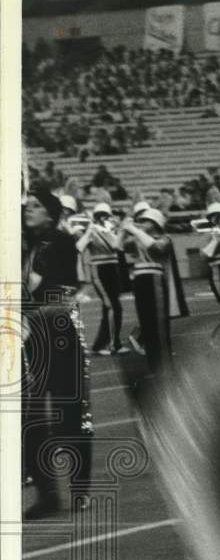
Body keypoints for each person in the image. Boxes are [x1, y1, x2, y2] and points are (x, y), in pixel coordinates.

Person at [21, 185, 93, 518]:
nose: (27, 209)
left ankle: (80, 490)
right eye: (26, 205)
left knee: (71, 411)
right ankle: (47, 495)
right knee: (31, 417)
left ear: (50, 213)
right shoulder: (26, 244)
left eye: (35, 206)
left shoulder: (59, 242)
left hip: (59, 331)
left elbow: (33, 286)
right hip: (33, 334)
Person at [119, 207, 188, 373]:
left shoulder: (165, 238)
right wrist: (123, 229)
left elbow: (156, 247)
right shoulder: (137, 238)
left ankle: (165, 365)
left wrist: (134, 229)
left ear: (155, 223)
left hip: (155, 279)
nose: (140, 223)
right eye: (140, 221)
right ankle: (153, 364)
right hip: (140, 281)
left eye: (145, 221)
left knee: (159, 324)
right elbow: (118, 246)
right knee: (146, 322)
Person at [77, 201, 129, 354]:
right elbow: (79, 247)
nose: (105, 218)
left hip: (113, 269)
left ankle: (107, 344)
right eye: (102, 216)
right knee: (112, 306)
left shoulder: (109, 230)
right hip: (100, 271)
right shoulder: (94, 230)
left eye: (106, 216)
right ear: (97, 217)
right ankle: (108, 344)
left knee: (113, 307)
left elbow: (119, 247)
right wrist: (88, 232)